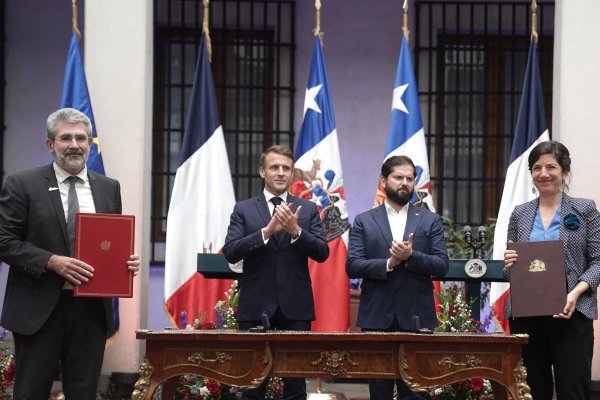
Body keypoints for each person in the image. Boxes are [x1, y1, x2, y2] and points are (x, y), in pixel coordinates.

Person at [0, 108, 141, 399]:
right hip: (38, 308)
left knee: (83, 393)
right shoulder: (22, 184)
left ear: (90, 143)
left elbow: (109, 242)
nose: (74, 144)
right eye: (65, 138)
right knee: (30, 392)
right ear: (50, 144)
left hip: (89, 309)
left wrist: (125, 262)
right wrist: (50, 261)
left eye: (81, 138)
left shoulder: (108, 187)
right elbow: (4, 241)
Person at [224, 144, 329, 400]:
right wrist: (266, 232)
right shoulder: (244, 209)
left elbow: (322, 252)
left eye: (286, 168)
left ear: (293, 174)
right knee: (252, 385)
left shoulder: (308, 209)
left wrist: (296, 232)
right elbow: (231, 251)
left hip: (296, 308)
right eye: (274, 167)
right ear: (262, 172)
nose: (281, 172)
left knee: (295, 387)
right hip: (255, 306)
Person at [346, 155, 449, 400]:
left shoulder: (429, 220)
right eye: (398, 177)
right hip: (376, 318)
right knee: (378, 392)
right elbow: (353, 266)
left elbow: (441, 264)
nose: (405, 183)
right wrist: (389, 263)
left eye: (410, 179)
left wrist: (411, 256)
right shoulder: (364, 220)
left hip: (417, 316)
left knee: (414, 392)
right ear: (383, 180)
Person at [503, 141, 600, 400]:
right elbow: (509, 271)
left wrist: (575, 293)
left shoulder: (585, 209)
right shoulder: (519, 214)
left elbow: (598, 261)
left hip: (572, 314)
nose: (543, 173)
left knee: (573, 389)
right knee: (532, 391)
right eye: (536, 168)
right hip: (527, 317)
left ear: (564, 172)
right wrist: (510, 262)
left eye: (551, 167)